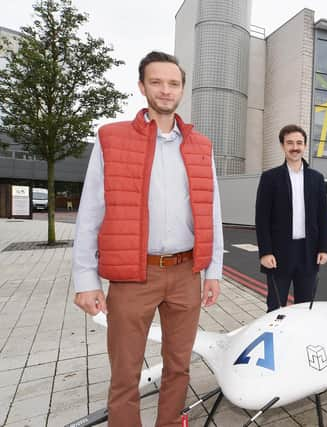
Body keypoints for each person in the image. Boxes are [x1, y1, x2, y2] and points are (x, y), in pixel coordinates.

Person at [72, 51, 223, 427]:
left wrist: (214, 270)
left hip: (186, 273)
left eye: (173, 83)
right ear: (142, 86)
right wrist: (85, 279)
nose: (165, 90)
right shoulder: (112, 139)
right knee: (125, 374)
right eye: (156, 82)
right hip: (132, 276)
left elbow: (211, 210)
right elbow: (91, 210)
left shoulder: (201, 146)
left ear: (182, 90)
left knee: (179, 367)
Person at [255, 124, 327, 312]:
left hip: (308, 253)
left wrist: (324, 248)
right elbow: (261, 218)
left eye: (299, 143)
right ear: (283, 146)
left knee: (305, 308)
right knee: (275, 307)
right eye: (290, 143)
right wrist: (265, 252)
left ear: (305, 146)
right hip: (278, 254)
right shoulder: (270, 178)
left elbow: (323, 216)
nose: (295, 147)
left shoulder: (317, 178)